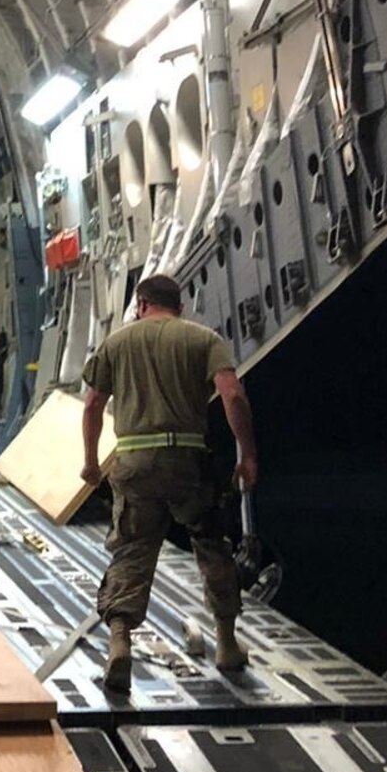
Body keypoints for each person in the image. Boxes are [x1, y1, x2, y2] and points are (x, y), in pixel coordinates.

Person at [80, 273, 258, 693]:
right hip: (188, 460)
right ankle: (227, 645)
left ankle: (120, 643)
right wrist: (247, 453)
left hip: (134, 462)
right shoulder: (202, 339)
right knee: (211, 544)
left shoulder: (116, 343)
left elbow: (92, 406)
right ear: (178, 307)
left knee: (132, 550)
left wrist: (90, 462)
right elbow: (232, 394)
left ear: (140, 304)